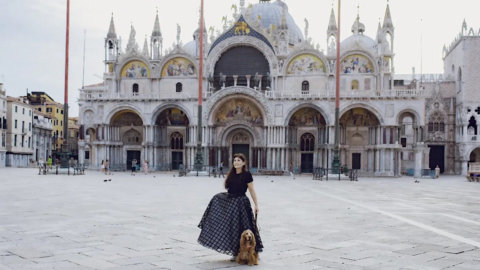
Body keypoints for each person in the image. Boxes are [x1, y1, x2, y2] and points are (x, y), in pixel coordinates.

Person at [198, 153, 263, 259]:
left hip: (242, 203)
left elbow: (251, 190)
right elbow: (229, 190)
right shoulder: (231, 174)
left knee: (247, 226)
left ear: (243, 163)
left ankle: (254, 251)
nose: (236, 162)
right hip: (231, 203)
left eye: (238, 160)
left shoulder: (247, 174)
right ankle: (236, 251)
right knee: (233, 228)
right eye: (235, 160)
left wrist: (256, 204)